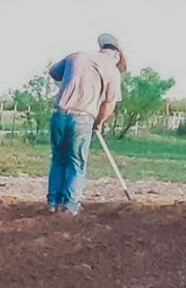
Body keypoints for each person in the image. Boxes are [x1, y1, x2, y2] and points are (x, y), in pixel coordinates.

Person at [46, 33, 126, 215]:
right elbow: (109, 104)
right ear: (117, 55)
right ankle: (70, 205)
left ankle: (52, 203)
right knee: (76, 161)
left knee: (58, 158)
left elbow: (53, 72)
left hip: (59, 114)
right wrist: (98, 123)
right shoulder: (112, 70)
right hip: (82, 117)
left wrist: (70, 77)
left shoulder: (77, 56)